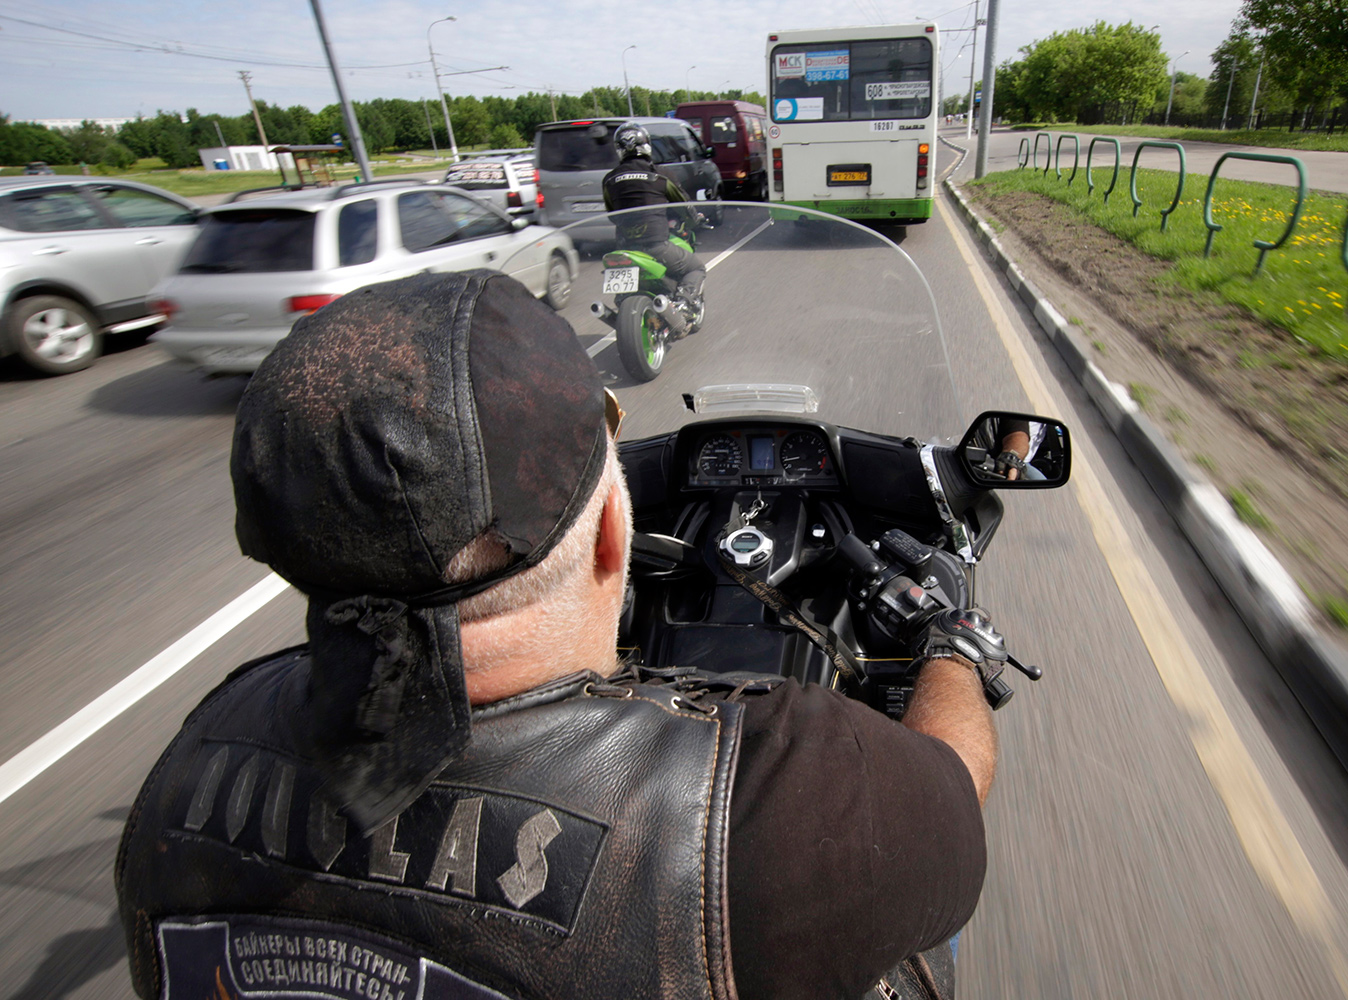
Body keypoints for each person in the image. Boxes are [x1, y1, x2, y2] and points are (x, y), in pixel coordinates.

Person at [115, 271, 997, 1000]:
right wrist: (953, 641)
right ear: (616, 525)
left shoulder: (191, 758)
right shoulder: (783, 803)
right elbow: (956, 792)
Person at [601, 121, 707, 314]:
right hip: (656, 245)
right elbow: (684, 205)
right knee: (696, 268)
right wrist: (695, 219)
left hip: (625, 247)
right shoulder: (660, 176)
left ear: (619, 150)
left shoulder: (609, 179)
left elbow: (612, 215)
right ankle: (682, 303)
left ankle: (625, 301)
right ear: (647, 145)